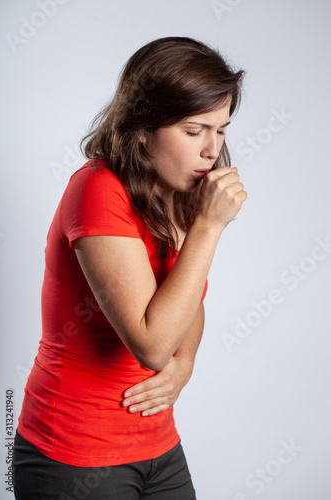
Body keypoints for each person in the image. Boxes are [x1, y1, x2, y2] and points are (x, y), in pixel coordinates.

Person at [13, 36, 247, 499]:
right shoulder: (98, 189)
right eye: (194, 129)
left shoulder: (174, 192)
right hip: (74, 455)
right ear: (142, 128)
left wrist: (187, 366)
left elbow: (186, 306)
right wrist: (208, 228)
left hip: (158, 444)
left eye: (220, 130)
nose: (211, 150)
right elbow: (152, 345)